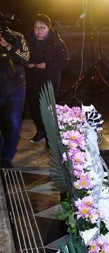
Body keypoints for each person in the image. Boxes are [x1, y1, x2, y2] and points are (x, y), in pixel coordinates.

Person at [25, 14, 70, 143]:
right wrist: (26, 63)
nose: (39, 31)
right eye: (36, 28)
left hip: (50, 78)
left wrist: (48, 65)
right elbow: (21, 57)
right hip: (32, 78)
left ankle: (51, 135)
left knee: (48, 107)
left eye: (42, 27)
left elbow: (65, 60)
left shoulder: (57, 41)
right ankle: (40, 130)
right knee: (34, 106)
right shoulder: (27, 41)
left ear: (49, 28)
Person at [0, 25, 29, 168]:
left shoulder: (17, 36)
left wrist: (9, 47)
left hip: (15, 89)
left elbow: (25, 60)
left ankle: (6, 157)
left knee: (13, 125)